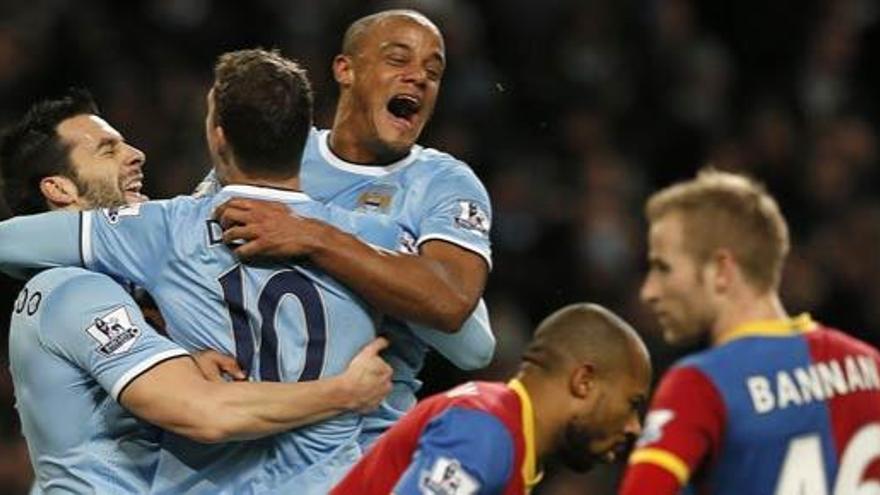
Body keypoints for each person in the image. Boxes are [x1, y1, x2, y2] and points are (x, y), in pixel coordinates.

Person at [0, 50, 408, 493]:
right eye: (108, 148)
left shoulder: (133, 287)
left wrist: (180, 357)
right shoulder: (72, 289)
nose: (136, 155)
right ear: (58, 188)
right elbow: (204, 413)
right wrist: (344, 393)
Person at [209, 9, 496, 444]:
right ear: (346, 69)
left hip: (361, 440)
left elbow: (453, 303)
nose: (418, 77)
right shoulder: (281, 146)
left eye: (433, 72)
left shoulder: (443, 183)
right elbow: (189, 245)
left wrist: (314, 236)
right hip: (246, 422)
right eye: (398, 60)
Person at [619, 169, 880, 494]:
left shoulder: (700, 384)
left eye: (663, 267)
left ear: (721, 270)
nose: (649, 291)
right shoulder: (871, 365)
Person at [331, 303, 652, 494]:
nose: (635, 427)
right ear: (584, 381)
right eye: (632, 404)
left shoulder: (504, 437)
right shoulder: (485, 429)